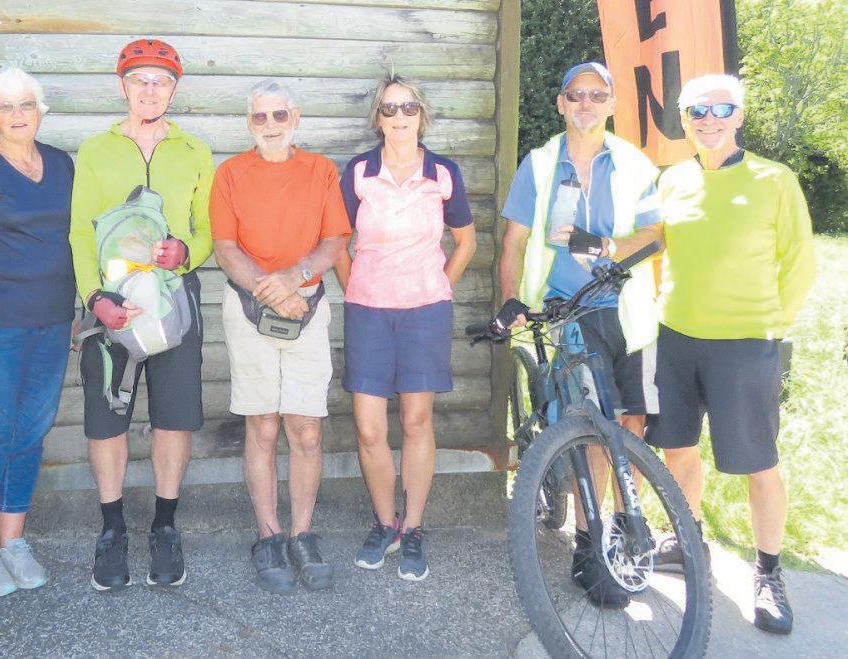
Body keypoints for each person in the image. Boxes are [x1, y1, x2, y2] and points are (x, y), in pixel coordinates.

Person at [647, 74, 815, 635]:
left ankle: (768, 574)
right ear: (684, 120)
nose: (709, 120)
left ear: (739, 117)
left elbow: (799, 261)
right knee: (677, 448)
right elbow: (655, 247)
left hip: (745, 343)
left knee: (758, 464)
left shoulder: (775, 179)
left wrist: (770, 325)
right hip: (676, 337)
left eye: (721, 109)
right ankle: (687, 538)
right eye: (697, 111)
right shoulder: (672, 179)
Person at [496, 62, 662, 607]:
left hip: (629, 311)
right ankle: (591, 546)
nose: (585, 103)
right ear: (561, 104)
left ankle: (624, 524)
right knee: (595, 425)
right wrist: (510, 299)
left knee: (632, 425)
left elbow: (654, 234)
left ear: (611, 104)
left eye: (596, 95)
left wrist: (605, 245)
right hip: (569, 309)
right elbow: (515, 241)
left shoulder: (634, 163)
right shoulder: (540, 163)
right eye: (575, 95)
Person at [69, 38, 213, 592]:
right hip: (112, 299)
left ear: (174, 90)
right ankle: (111, 530)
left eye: (161, 81)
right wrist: (94, 298)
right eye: (139, 80)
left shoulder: (194, 151)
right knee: (107, 417)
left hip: (174, 299)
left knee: (174, 415)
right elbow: (80, 232)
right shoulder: (95, 149)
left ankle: (165, 527)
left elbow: (207, 229)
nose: (150, 90)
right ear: (122, 86)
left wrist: (187, 252)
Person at [334, 73, 476, 582]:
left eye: (408, 108)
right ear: (378, 118)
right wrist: (357, 288)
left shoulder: (443, 172)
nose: (399, 117)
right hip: (369, 312)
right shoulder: (358, 172)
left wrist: (439, 286)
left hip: (424, 312)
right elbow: (337, 242)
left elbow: (466, 241)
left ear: (422, 116)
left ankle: (413, 527)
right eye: (389, 109)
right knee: (369, 428)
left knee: (417, 422)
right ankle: (385, 523)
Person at [211, 80, 351, 593]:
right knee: (264, 426)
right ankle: (268, 534)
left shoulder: (321, 170)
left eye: (279, 115)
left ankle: (302, 534)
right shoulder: (230, 173)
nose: (270, 125)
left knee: (306, 428)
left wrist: (296, 277)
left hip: (307, 306)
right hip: (249, 307)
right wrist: (270, 291)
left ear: (296, 117)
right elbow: (225, 246)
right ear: (249, 122)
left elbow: (335, 238)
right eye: (260, 117)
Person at [0, 68, 76, 598]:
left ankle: (13, 540)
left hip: (53, 320)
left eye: (26, 104)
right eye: (5, 106)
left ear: (41, 110)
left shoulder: (63, 164)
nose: (18, 114)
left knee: (31, 431)